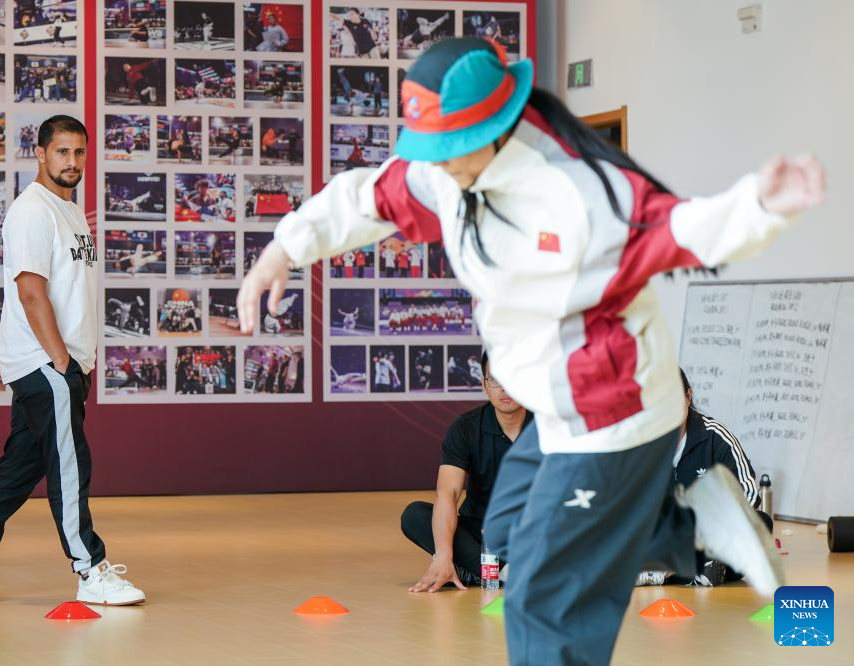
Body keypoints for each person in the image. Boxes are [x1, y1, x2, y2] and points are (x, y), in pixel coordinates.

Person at [237, 37, 824, 666]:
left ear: (495, 126)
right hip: (555, 408)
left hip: (612, 410)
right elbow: (368, 197)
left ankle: (684, 530)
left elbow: (679, 228)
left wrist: (758, 207)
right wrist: (282, 250)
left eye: (452, 148)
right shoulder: (448, 168)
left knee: (542, 596)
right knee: (505, 526)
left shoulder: (580, 193)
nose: (439, 165)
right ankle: (692, 528)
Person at [0, 116, 145, 607]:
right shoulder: (32, 210)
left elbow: (70, 286)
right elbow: (31, 292)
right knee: (70, 464)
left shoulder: (68, 210)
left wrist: (78, 361)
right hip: (45, 363)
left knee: (21, 466)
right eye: (61, 152)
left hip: (64, 363)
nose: (72, 161)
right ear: (40, 153)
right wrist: (60, 361)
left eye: (79, 152)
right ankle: (89, 568)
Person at [402, 352, 535, 590]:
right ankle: (506, 573)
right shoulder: (465, 428)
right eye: (495, 379)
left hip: (531, 529)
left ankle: (476, 571)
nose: (504, 388)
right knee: (415, 515)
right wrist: (443, 555)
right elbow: (448, 493)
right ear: (484, 385)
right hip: (480, 532)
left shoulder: (548, 427)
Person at [636, 368, 773, 587]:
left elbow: (748, 494)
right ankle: (697, 570)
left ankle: (663, 572)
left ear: (688, 397)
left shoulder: (714, 437)